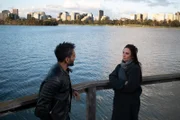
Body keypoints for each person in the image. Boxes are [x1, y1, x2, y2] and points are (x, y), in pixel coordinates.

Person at [35, 42, 80, 120]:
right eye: (73, 55)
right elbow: (40, 109)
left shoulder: (63, 69)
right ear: (67, 59)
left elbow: (60, 88)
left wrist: (71, 91)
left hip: (64, 115)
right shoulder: (54, 78)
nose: (75, 57)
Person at [109, 44, 142, 120]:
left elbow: (130, 87)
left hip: (130, 104)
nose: (124, 55)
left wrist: (116, 86)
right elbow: (111, 77)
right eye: (123, 52)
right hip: (118, 102)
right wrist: (123, 83)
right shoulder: (119, 66)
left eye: (127, 53)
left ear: (132, 56)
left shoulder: (135, 68)